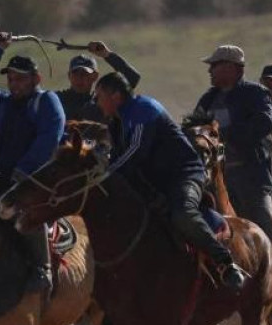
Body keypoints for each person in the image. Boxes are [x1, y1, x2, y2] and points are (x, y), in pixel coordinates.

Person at [96, 73, 246, 289]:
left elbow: (136, 151)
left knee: (183, 213)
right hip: (154, 181)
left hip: (183, 175)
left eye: (99, 96)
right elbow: (118, 156)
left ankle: (225, 262)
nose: (96, 102)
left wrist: (106, 172)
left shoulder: (143, 109)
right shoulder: (116, 122)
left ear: (116, 96)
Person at [0, 32, 66, 289]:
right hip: (6, 178)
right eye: (11, 79)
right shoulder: (3, 103)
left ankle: (42, 270)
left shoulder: (47, 101)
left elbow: (49, 138)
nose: (14, 84)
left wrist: (23, 172)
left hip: (37, 179)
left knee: (30, 215)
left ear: (36, 79)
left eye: (20, 79)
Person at [194, 45, 272, 254]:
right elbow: (194, 127)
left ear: (233, 68)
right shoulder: (208, 99)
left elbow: (265, 122)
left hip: (250, 175)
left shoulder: (255, 93)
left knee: (263, 221)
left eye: (214, 66)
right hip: (216, 177)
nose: (209, 71)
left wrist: (222, 135)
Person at [56, 42, 141, 122]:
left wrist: (107, 54)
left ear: (95, 76)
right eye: (75, 73)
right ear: (69, 76)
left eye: (85, 74)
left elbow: (133, 78)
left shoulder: (103, 102)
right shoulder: (56, 100)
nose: (80, 78)